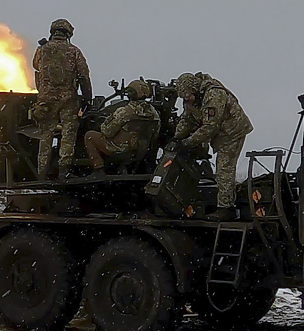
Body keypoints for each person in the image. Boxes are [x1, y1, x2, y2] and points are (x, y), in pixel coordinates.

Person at [169, 72, 253, 220]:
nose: (186, 99)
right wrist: (176, 138)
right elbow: (186, 120)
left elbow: (209, 127)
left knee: (224, 168)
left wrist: (187, 143)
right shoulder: (190, 98)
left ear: (194, 89)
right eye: (183, 97)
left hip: (232, 132)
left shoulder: (214, 95)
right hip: (220, 133)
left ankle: (226, 209)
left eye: (188, 95)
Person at [32, 18, 92, 179]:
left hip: (45, 100)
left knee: (45, 135)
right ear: (68, 34)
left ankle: (41, 173)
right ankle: (63, 172)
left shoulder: (42, 49)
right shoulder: (74, 51)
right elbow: (83, 75)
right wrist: (88, 99)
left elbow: (36, 66)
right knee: (68, 134)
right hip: (68, 100)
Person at [84, 79, 159, 174]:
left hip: (120, 150)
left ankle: (98, 169)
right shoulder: (154, 114)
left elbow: (107, 132)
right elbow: (155, 135)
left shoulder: (125, 112)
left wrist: (105, 122)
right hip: (140, 151)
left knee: (89, 136)